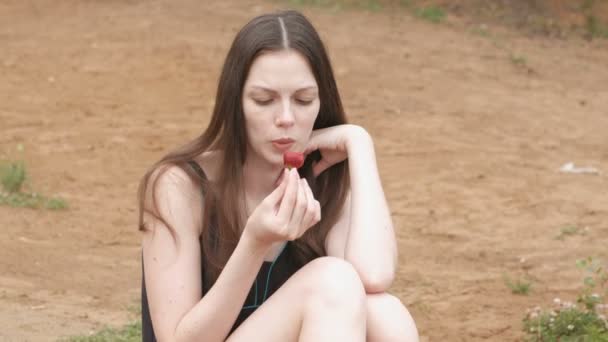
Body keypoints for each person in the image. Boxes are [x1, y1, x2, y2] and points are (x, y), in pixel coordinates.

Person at [138, 9, 419, 342]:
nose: (286, 118)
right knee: (332, 281)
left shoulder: (324, 175)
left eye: (303, 100)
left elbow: (374, 275)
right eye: (264, 100)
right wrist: (254, 243)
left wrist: (360, 145)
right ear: (235, 103)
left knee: (387, 314)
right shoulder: (178, 186)